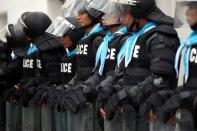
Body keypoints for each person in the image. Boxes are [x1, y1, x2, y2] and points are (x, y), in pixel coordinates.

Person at [97, 0, 180, 130]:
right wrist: (107, 91)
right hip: (132, 114)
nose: (121, 19)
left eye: (124, 14)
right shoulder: (133, 38)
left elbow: (159, 81)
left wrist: (124, 95)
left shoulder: (160, 36)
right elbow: (122, 73)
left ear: (137, 13)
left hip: (152, 116)